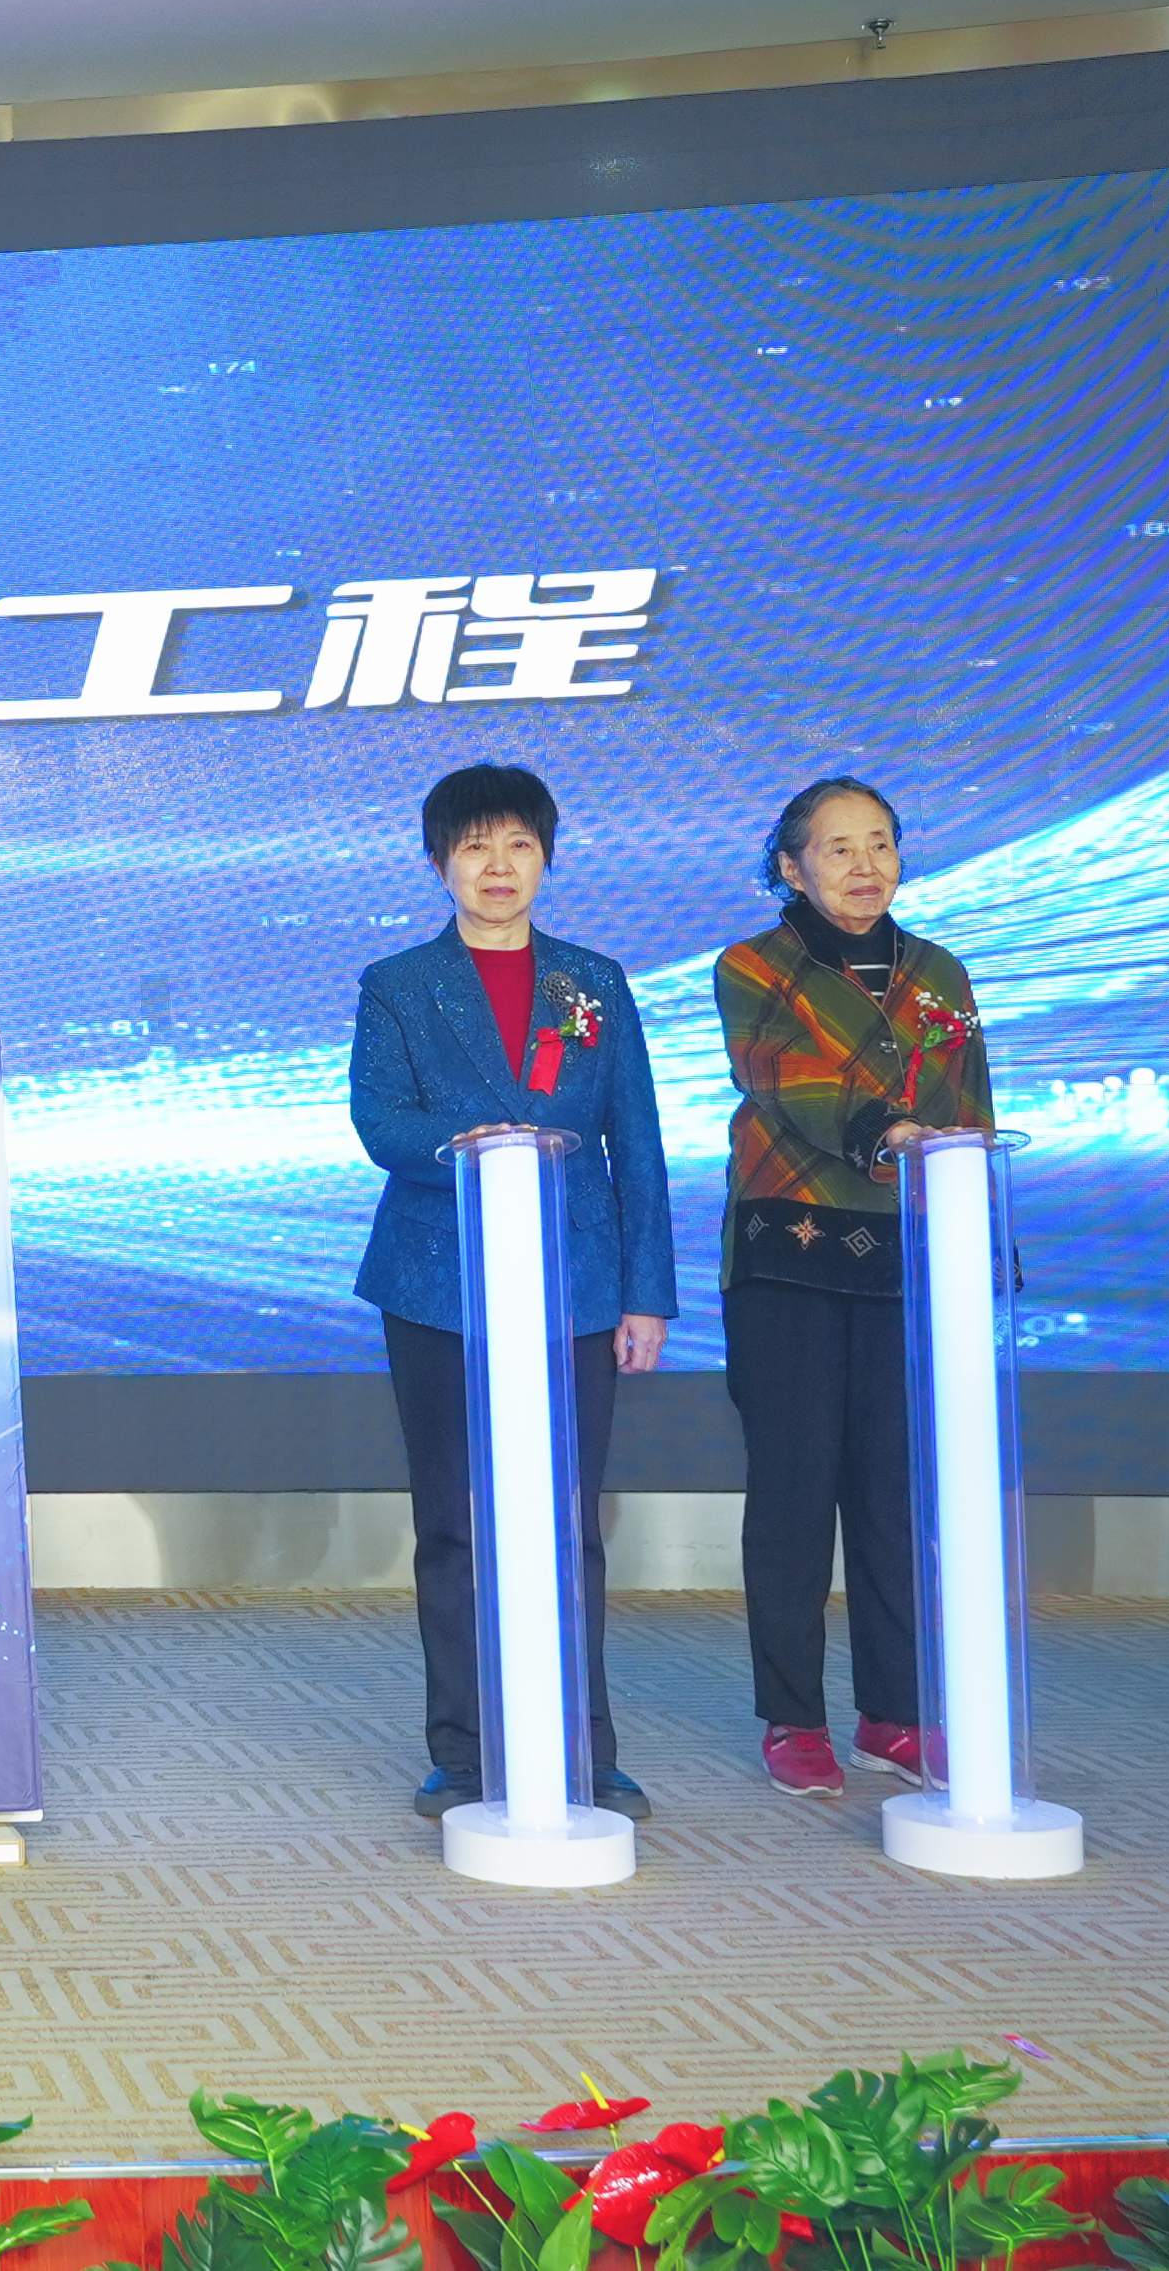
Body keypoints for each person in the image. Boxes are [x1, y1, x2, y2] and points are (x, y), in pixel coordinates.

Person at [349, 763, 674, 1823]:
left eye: (519, 845)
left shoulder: (593, 981)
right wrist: (473, 1139)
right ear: (438, 862)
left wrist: (644, 1294)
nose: (498, 867)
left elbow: (637, 1142)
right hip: (437, 1281)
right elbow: (379, 1122)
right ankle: (461, 1749)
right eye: (475, 847)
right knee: (454, 1523)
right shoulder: (398, 983)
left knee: (570, 1524)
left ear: (546, 857)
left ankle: (585, 1744)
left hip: (575, 1282)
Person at [711, 777, 989, 1799]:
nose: (864, 864)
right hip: (787, 1253)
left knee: (893, 1495)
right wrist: (885, 1131)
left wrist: (978, 1236)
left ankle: (893, 1714)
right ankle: (792, 1718)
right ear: (791, 867)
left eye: (880, 843)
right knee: (793, 1494)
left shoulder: (939, 970)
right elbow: (785, 1079)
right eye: (837, 848)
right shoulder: (752, 965)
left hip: (908, 1253)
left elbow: (970, 1102)